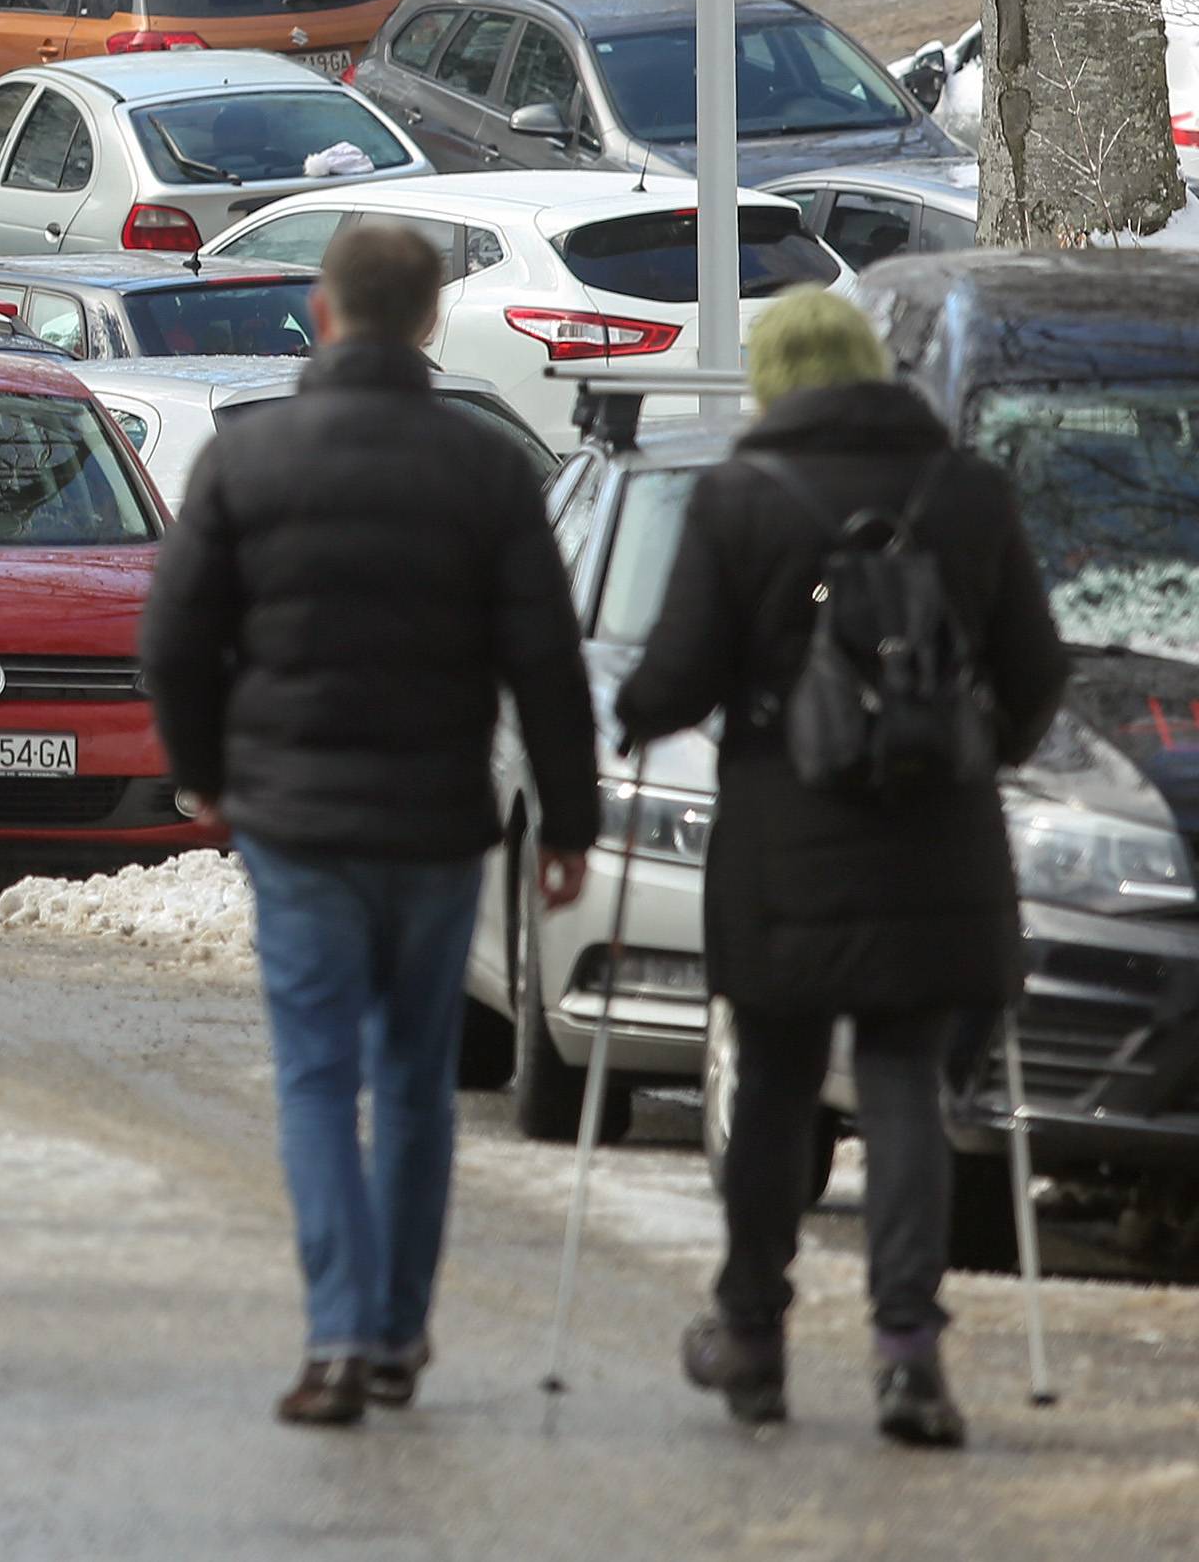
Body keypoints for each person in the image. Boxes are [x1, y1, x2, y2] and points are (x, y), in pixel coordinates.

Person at [140, 220, 600, 1427]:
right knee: (414, 1078)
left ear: (323, 313)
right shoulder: (491, 469)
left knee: (314, 1073)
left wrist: (206, 773)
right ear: (432, 320)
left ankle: (339, 1331)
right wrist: (570, 819)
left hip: (296, 821)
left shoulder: (248, 459)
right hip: (441, 816)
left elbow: (174, 635)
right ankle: (398, 1331)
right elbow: (546, 657)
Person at [615, 286, 1068, 1449]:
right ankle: (910, 1352)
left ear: (770, 380)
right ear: (878, 369)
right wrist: (972, 750)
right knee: (907, 1079)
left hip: (784, 847)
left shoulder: (740, 498)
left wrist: (634, 709)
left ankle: (754, 1338)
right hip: (939, 842)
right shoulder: (965, 491)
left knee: (772, 1081)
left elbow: (675, 674)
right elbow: (1036, 668)